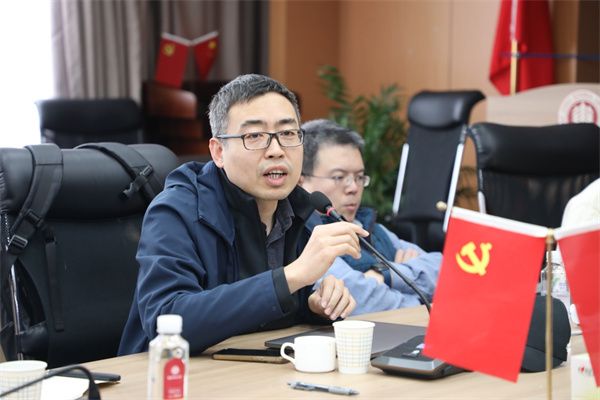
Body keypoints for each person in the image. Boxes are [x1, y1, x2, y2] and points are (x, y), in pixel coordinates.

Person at [119, 75, 368, 355]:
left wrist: (313, 306)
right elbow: (167, 319)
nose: (276, 151)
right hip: (167, 372)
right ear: (218, 152)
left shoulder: (299, 208)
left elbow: (266, 314)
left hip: (257, 368)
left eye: (288, 134)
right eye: (254, 136)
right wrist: (293, 276)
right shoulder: (176, 211)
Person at [299, 119, 441, 312]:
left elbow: (444, 270)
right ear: (301, 181)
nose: (353, 187)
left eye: (359, 177)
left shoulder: (370, 227)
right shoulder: (305, 236)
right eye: (339, 177)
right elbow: (359, 300)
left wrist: (386, 274)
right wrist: (422, 300)